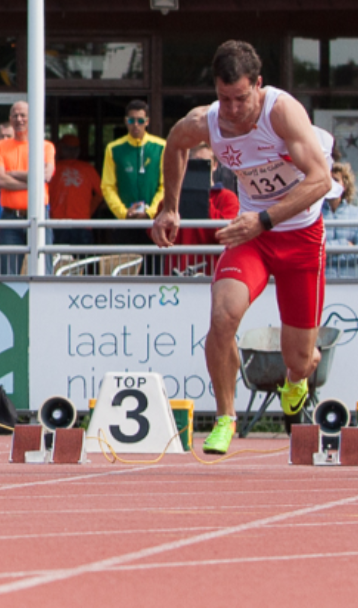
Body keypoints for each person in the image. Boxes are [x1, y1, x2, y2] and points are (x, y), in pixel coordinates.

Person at [151, 41, 334, 455]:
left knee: (298, 358)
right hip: (252, 238)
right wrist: (170, 208)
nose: (232, 109)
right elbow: (176, 143)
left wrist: (266, 218)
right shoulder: (209, 121)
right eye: (223, 98)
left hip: (301, 236)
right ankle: (224, 419)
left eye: (240, 99)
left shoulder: (282, 113)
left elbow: (321, 180)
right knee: (222, 315)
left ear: (259, 86)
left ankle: (300, 376)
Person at [0, 102, 54, 273]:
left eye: (23, 115)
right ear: (10, 119)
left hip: (39, 215)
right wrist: (34, 182)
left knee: (43, 271)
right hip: (10, 216)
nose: (19, 119)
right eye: (15, 115)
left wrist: (12, 173)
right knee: (8, 275)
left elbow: (46, 176)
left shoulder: (45, 146)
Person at [171, 144, 240, 276]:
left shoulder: (227, 198)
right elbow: (160, 231)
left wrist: (202, 195)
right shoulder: (176, 196)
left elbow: (225, 234)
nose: (199, 167)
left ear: (214, 165)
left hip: (213, 273)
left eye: (204, 163)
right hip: (177, 271)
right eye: (195, 162)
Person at [101, 99, 166, 224]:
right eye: (131, 120)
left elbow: (166, 186)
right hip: (125, 221)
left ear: (147, 121)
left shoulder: (161, 147)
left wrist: (150, 212)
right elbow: (107, 186)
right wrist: (123, 213)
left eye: (140, 120)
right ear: (126, 121)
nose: (136, 124)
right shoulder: (113, 148)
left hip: (154, 221)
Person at [49, 134, 102, 246]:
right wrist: (89, 211)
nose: (71, 151)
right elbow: (102, 194)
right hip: (76, 223)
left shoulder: (53, 169)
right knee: (82, 262)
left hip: (59, 223)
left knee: (59, 261)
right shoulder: (88, 169)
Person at [323, 162, 358, 278]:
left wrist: (328, 254)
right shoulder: (312, 215)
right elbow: (312, 251)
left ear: (344, 185)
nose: (331, 184)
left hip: (352, 283)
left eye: (336, 180)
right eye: (328, 179)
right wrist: (344, 244)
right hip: (323, 282)